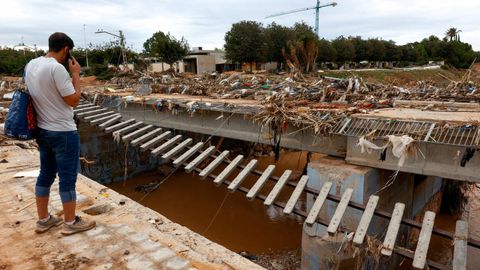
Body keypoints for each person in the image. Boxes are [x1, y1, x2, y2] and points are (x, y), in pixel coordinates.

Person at [25, 32, 95, 235]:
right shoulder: (56, 69)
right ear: (66, 49)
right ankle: (71, 223)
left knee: (45, 174)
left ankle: (43, 220)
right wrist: (75, 75)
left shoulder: (32, 64)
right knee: (67, 178)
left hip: (43, 130)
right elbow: (73, 100)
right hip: (63, 132)